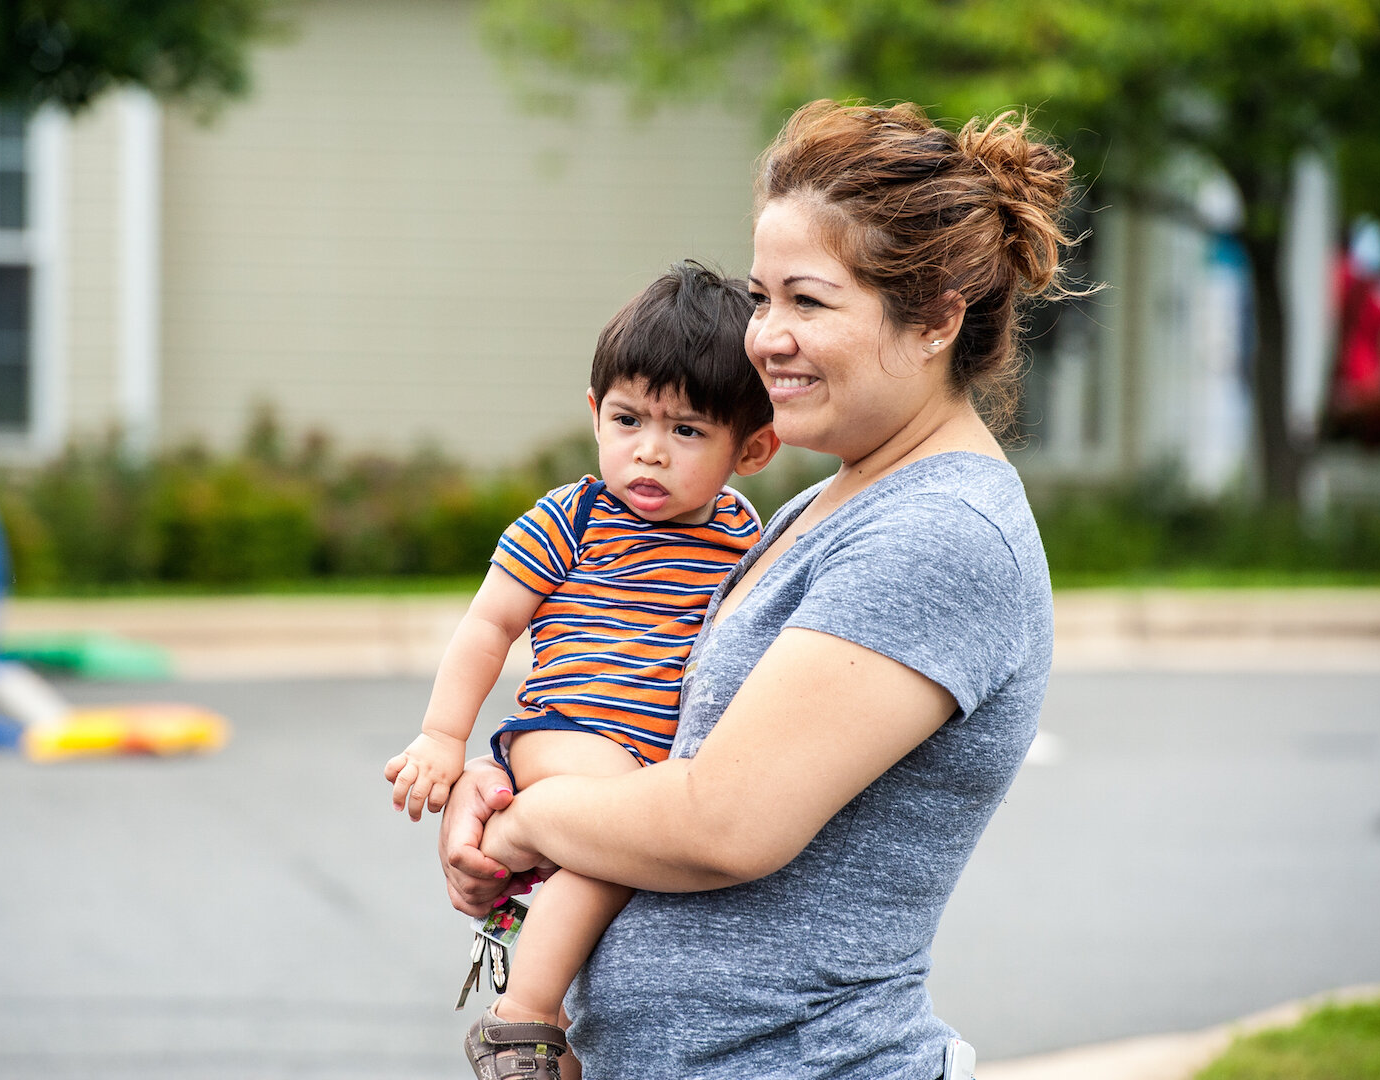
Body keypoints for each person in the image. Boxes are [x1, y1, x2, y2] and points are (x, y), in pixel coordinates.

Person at [437, 99, 1080, 1080]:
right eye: (761, 297)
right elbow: (666, 735)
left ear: (937, 319)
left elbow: (721, 823)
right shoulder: (826, 504)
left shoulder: (939, 533)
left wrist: (528, 823)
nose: (764, 336)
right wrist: (506, 774)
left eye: (808, 303)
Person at [383, 260, 780, 1079]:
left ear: (753, 448)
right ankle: (516, 1020)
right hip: (565, 732)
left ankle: (547, 1039)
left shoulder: (746, 536)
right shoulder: (571, 518)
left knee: (592, 914)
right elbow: (489, 625)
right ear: (595, 413)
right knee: (609, 850)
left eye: (686, 431)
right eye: (629, 420)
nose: (649, 453)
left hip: (654, 754)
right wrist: (441, 737)